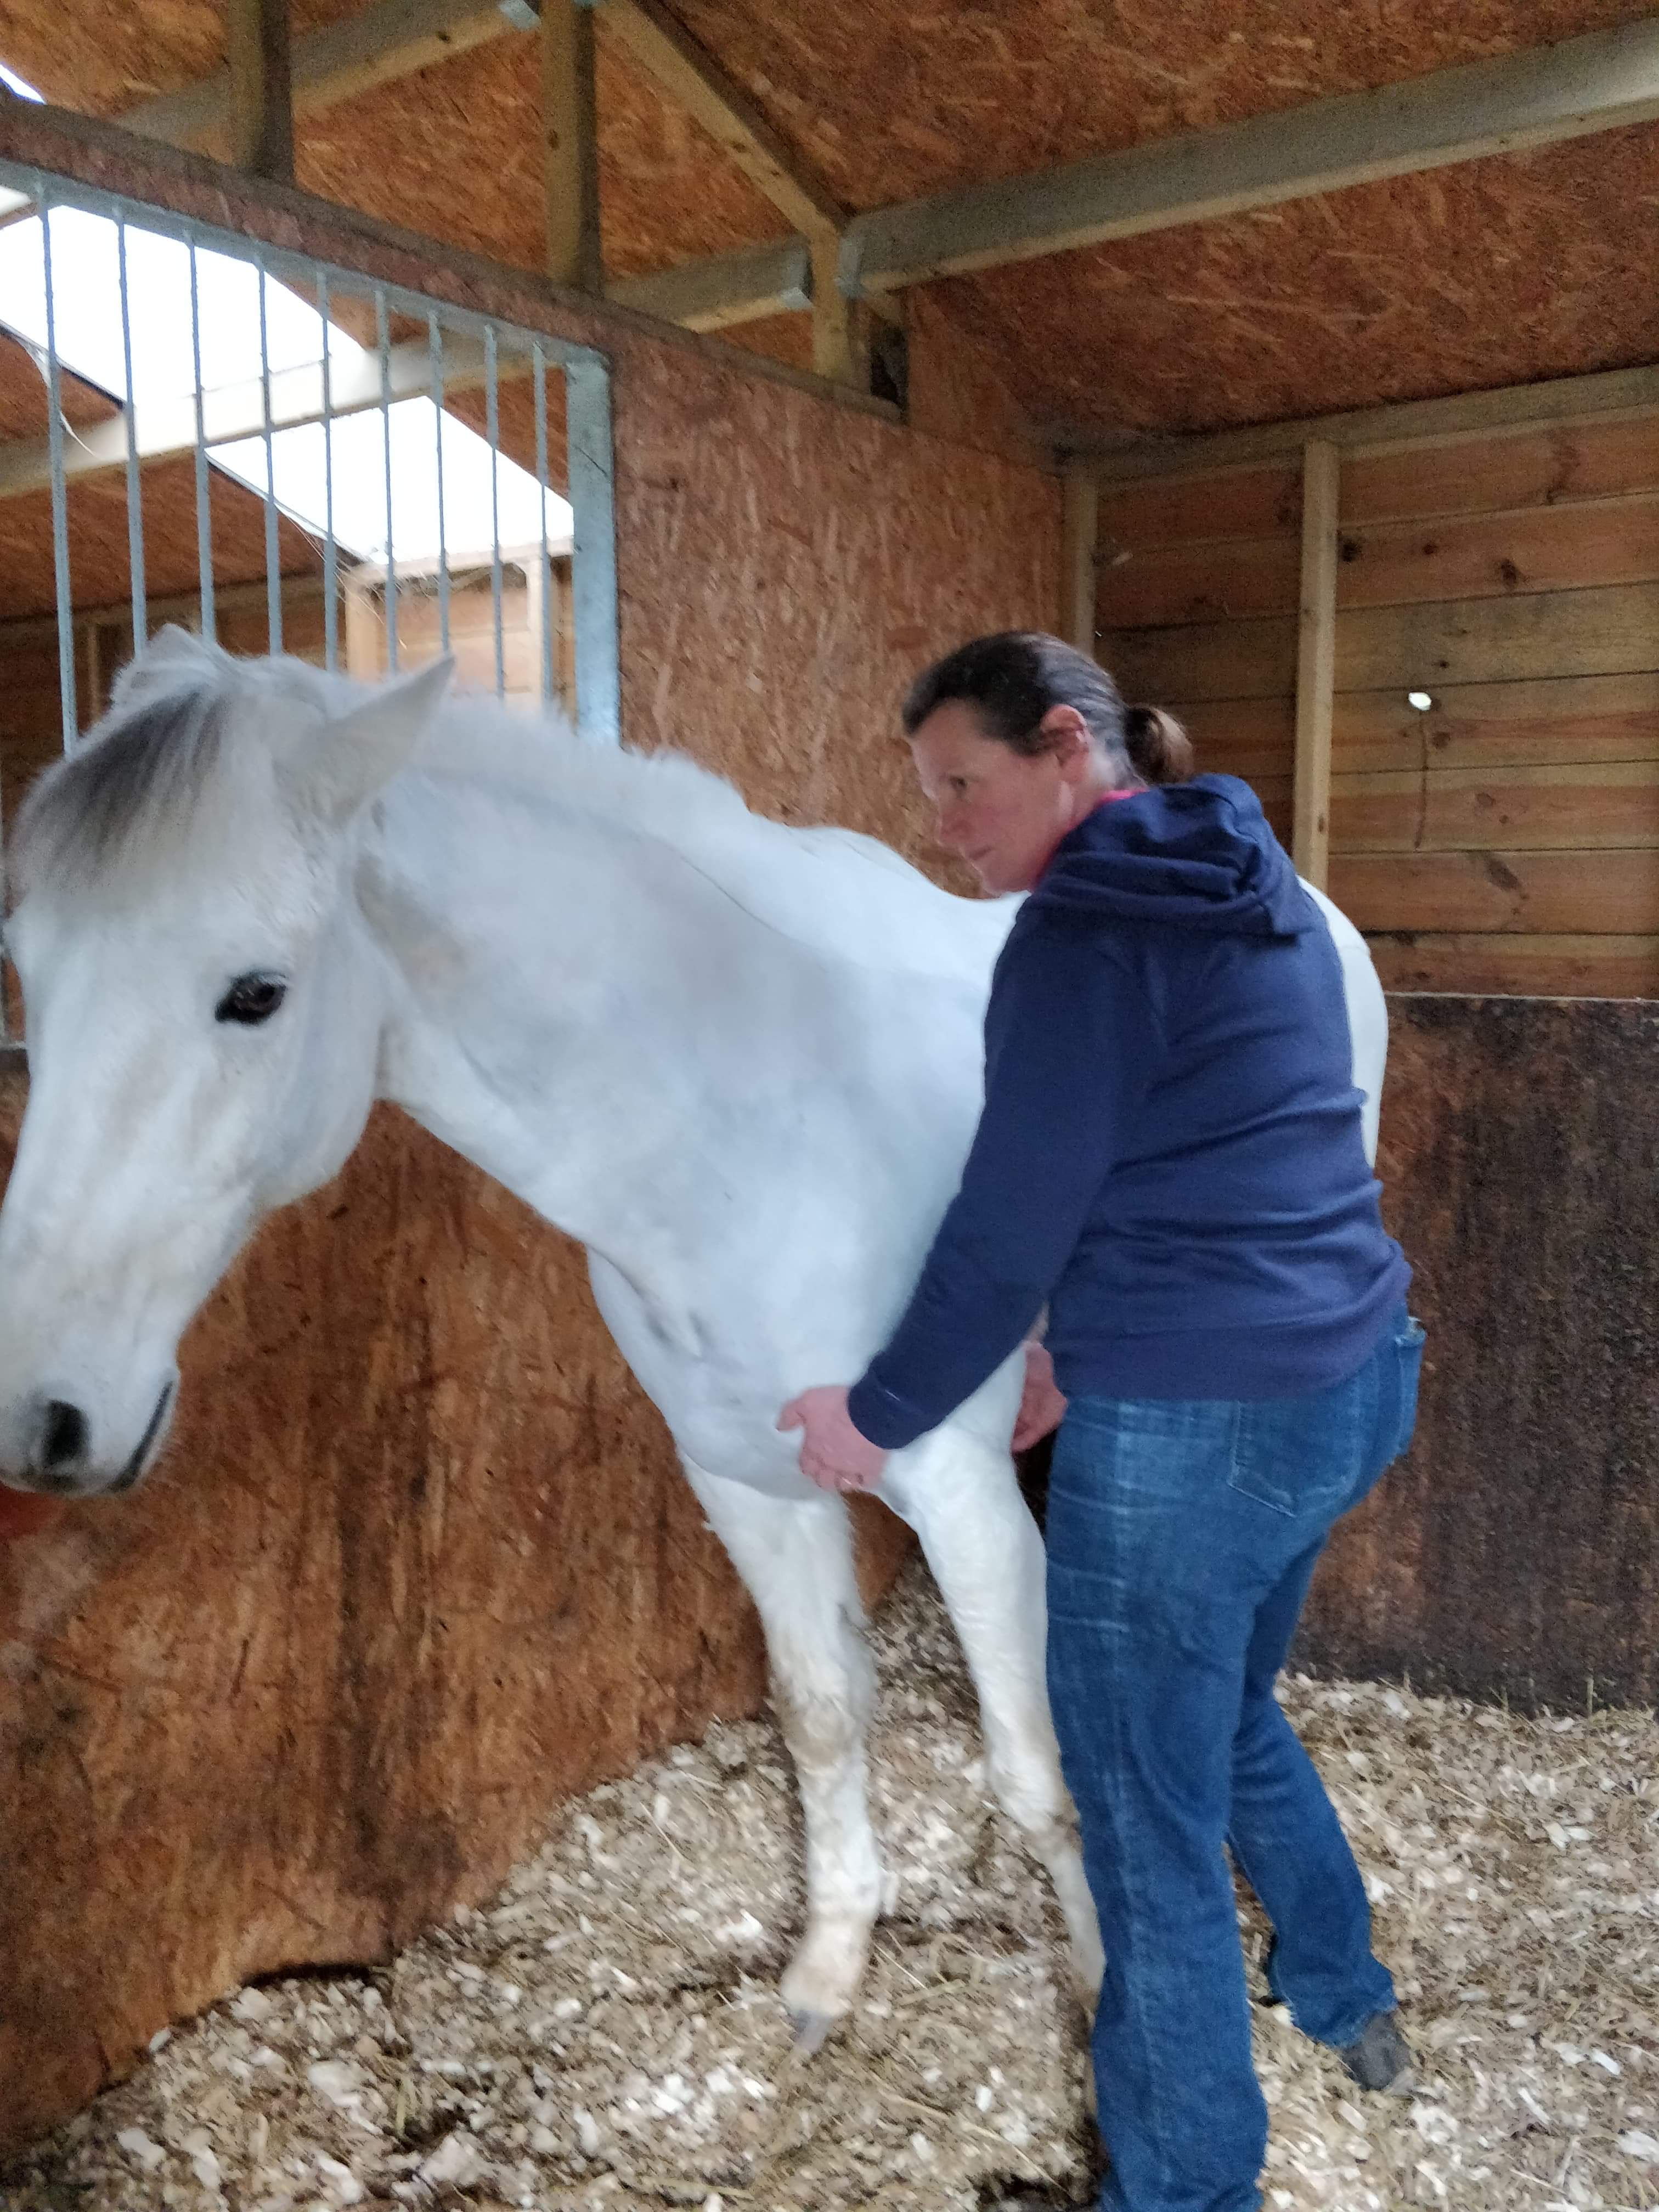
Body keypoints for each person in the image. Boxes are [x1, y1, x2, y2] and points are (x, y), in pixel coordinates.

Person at [778, 631, 1425, 2212]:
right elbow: (1205, 1144)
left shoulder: (1078, 933)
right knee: (1231, 1712)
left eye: (965, 785)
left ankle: (1188, 2186)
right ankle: (1345, 1991)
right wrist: (1076, 1343)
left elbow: (1009, 1223)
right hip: (1357, 1373)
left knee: (1144, 1828)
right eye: (927, 793)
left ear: (1069, 746)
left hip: (1205, 1427)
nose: (943, 825)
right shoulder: (1246, 875)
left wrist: (876, 1415)